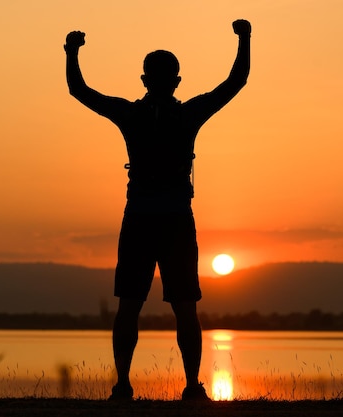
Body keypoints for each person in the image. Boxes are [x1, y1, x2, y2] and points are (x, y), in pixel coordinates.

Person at [64, 19, 251, 401]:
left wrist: (72, 54)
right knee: (184, 305)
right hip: (175, 221)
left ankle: (123, 385)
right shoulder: (187, 115)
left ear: (145, 80)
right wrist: (244, 39)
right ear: (176, 82)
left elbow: (78, 90)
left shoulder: (132, 115)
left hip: (141, 219)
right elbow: (235, 82)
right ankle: (191, 386)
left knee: (131, 304)